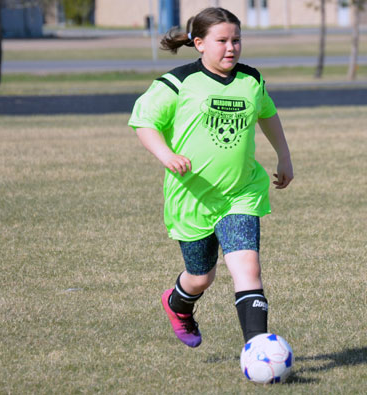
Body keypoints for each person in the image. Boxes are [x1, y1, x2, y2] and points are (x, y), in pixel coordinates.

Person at [128, 7, 293, 348]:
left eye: (236, 40)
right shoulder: (177, 82)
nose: (231, 47)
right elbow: (144, 122)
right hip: (193, 197)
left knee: (248, 269)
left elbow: (268, 114)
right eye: (222, 41)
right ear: (200, 43)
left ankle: (257, 346)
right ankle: (178, 304)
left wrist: (284, 155)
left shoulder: (252, 80)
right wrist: (166, 155)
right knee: (201, 277)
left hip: (240, 193)